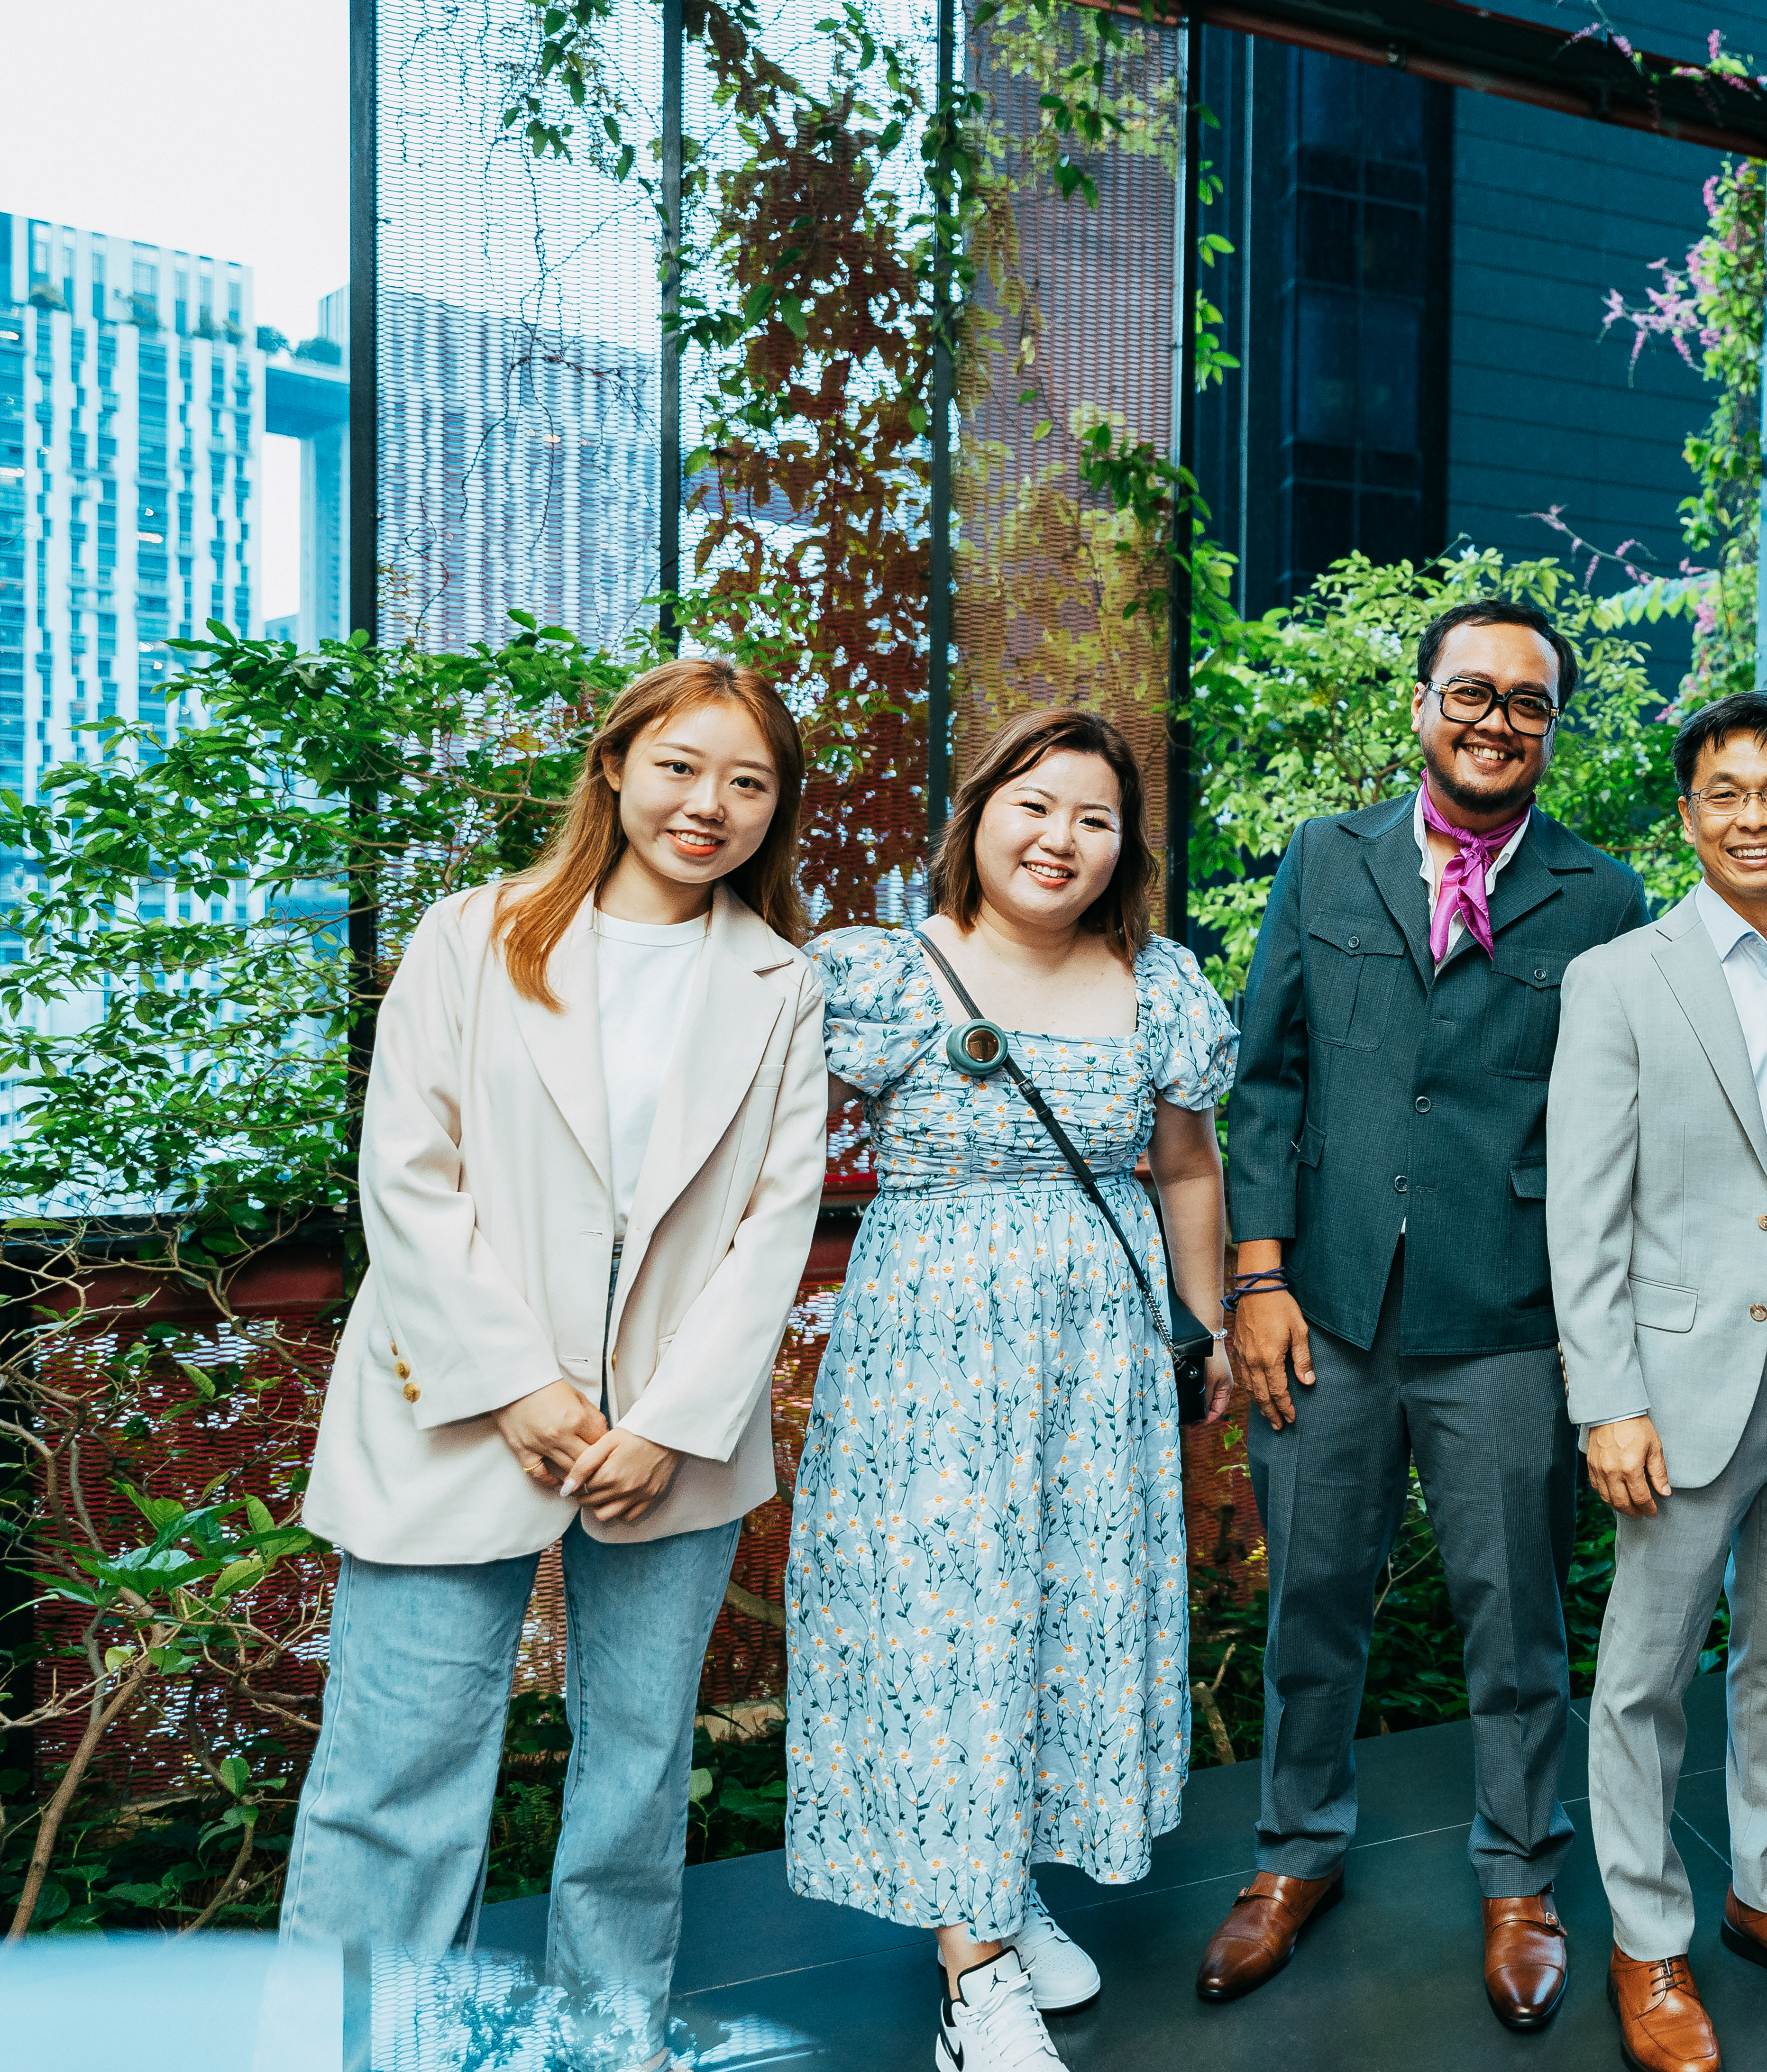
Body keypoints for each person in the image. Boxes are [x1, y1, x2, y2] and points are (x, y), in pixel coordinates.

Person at [285, 659, 828, 2072]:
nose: (708, 804)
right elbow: (407, 1179)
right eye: (680, 766)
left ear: (776, 811)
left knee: (638, 1775)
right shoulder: (476, 936)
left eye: (748, 782)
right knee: (392, 1773)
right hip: (454, 1413)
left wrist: (672, 1421)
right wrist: (518, 1385)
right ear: (614, 769)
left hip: (671, 1435)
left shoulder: (782, 987)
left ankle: (609, 2035)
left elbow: (774, 1226)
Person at [1206, 596, 1649, 2032]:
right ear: (1420, 705)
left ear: (1552, 729)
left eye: (1529, 702)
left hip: (1506, 1316)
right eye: (1472, 693)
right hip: (1319, 1307)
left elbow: (1611, 1126)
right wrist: (1257, 1280)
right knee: (1313, 1602)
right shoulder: (1323, 860)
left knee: (1515, 1623)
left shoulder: (1603, 898)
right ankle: (1294, 1858)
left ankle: (1522, 1879)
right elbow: (1264, 1080)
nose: (1497, 722)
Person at [781, 709, 1239, 2072]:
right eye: (1035, 807)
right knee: (945, 1628)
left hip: (1095, 1354)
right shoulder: (885, 974)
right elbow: (754, 1141)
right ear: (977, 815)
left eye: (1094, 820)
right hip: (927, 1355)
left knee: (1054, 1615)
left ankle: (998, 1886)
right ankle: (971, 1981)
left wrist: (1201, 1331)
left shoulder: (1157, 985)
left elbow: (1191, 1167)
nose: (1061, 840)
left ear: (1125, 848)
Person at [1546, 691, 1767, 2072]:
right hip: (1686, 1382)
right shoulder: (1622, 977)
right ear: (1688, 814)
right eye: (1726, 794)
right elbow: (1585, 1214)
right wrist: (1607, 1399)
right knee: (1642, 1677)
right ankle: (1648, 1942)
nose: (1755, 817)